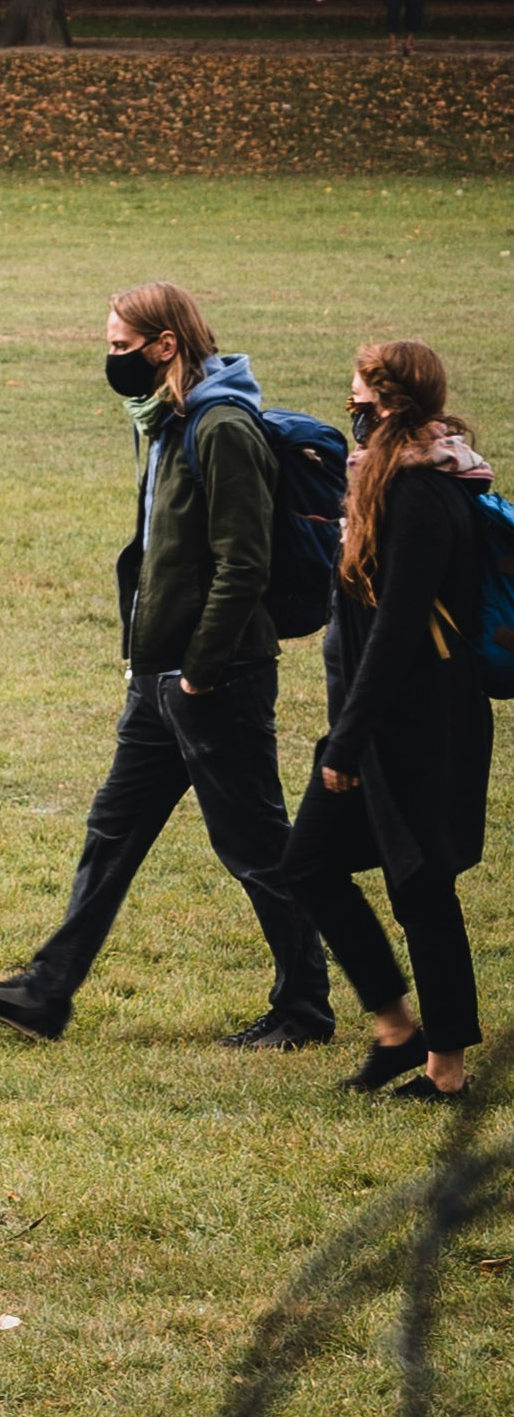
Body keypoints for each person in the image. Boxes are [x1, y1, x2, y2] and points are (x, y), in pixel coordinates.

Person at [0, 283, 334, 1048]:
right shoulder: (168, 422)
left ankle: (304, 1009)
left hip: (215, 679)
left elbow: (243, 563)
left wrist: (198, 671)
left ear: (165, 344)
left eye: (119, 346)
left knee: (254, 848)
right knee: (112, 831)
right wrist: (153, 668)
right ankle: (46, 992)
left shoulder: (221, 426)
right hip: (158, 680)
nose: (111, 359)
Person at [282, 342, 492, 1099]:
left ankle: (446, 1070)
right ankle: (398, 1032)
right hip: (376, 718)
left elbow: (398, 629)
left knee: (421, 888)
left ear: (390, 403)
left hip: (420, 725)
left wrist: (347, 740)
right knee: (309, 864)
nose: (352, 409)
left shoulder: (422, 493)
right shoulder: (381, 479)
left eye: (359, 397)